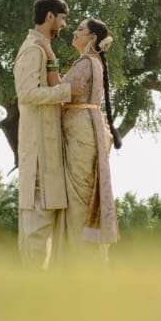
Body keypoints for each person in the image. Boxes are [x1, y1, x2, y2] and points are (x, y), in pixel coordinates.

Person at [42, 16, 121, 257]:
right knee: (83, 194)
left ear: (92, 38)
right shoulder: (94, 63)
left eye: (80, 29)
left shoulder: (86, 63)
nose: (74, 33)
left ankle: (77, 259)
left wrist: (50, 60)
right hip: (89, 130)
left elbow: (62, 92)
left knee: (78, 198)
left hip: (81, 133)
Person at [12, 0, 73, 269]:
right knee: (36, 221)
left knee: (46, 218)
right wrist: (65, 92)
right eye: (62, 19)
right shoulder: (32, 50)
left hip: (46, 149)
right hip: (37, 150)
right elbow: (26, 93)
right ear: (50, 16)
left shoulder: (42, 48)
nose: (63, 25)